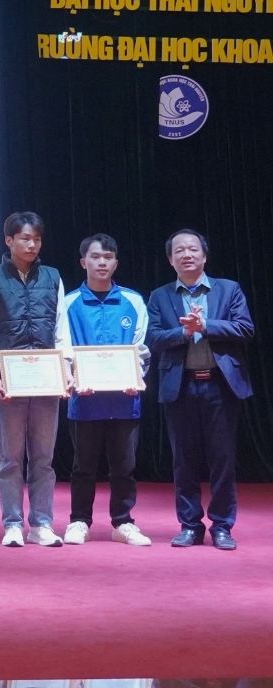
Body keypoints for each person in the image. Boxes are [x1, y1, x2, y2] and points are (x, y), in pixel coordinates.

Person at [146, 228, 255, 551]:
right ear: (170, 260)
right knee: (184, 461)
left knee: (222, 459)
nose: (187, 254)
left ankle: (222, 526)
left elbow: (245, 328)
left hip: (220, 386)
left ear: (204, 256)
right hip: (180, 387)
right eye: (179, 250)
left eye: (193, 249)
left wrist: (205, 326)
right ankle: (190, 525)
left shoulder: (228, 289)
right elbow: (153, 338)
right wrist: (183, 332)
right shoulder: (160, 296)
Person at [0, 211, 70, 548]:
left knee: (44, 459)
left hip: (46, 377)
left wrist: (66, 369)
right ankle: (13, 524)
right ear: (9, 240)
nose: (32, 245)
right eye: (25, 238)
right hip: (9, 379)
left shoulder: (53, 277)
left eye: (37, 239)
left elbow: (61, 326)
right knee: (10, 459)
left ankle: (42, 524)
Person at [56, 233, 152, 546]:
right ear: (83, 262)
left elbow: (141, 348)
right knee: (82, 466)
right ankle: (79, 521)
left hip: (125, 399)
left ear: (116, 263)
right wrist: (73, 378)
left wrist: (136, 376)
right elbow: (63, 348)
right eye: (95, 257)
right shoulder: (68, 303)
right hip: (84, 399)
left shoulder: (133, 301)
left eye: (108, 258)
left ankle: (123, 522)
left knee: (124, 466)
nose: (102, 263)